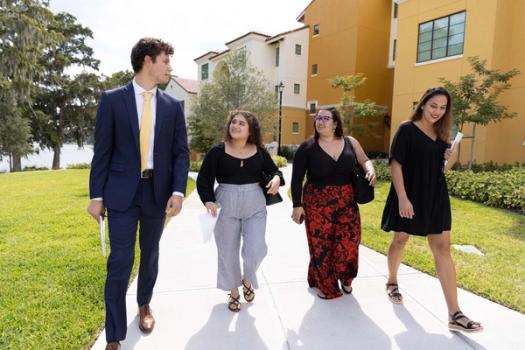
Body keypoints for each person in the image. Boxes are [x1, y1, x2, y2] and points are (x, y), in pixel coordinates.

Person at [87, 38, 189, 350]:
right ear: (147, 61)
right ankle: (115, 335)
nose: (170, 67)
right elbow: (102, 151)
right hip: (120, 194)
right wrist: (95, 195)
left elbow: (180, 154)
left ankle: (144, 304)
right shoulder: (112, 99)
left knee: (150, 253)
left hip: (157, 194)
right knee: (120, 259)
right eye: (165, 61)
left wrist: (178, 191)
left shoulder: (173, 106)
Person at [381, 87, 482, 332]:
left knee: (443, 248)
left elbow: (442, 169)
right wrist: (403, 198)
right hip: (409, 193)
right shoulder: (407, 129)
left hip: (435, 195)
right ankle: (392, 281)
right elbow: (396, 164)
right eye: (434, 105)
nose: (437, 111)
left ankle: (454, 313)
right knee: (401, 239)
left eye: (443, 107)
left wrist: (452, 155)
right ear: (423, 104)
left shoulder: (442, 135)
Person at [196, 110, 284, 312]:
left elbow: (274, 171)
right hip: (225, 202)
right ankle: (234, 291)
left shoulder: (260, 151)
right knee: (227, 252)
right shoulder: (217, 152)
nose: (235, 125)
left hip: (255, 202)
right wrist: (209, 200)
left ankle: (247, 278)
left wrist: (277, 178)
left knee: (256, 249)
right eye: (233, 122)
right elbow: (203, 179)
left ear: (250, 129)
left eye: (241, 123)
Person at [291, 107, 377, 299]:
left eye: (325, 118)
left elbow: (364, 160)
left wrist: (370, 170)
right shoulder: (307, 147)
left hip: (346, 200)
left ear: (335, 123)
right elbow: (296, 179)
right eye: (318, 118)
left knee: (350, 241)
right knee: (322, 245)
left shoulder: (350, 142)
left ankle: (346, 277)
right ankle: (327, 286)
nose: (320, 121)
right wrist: (297, 205)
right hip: (317, 202)